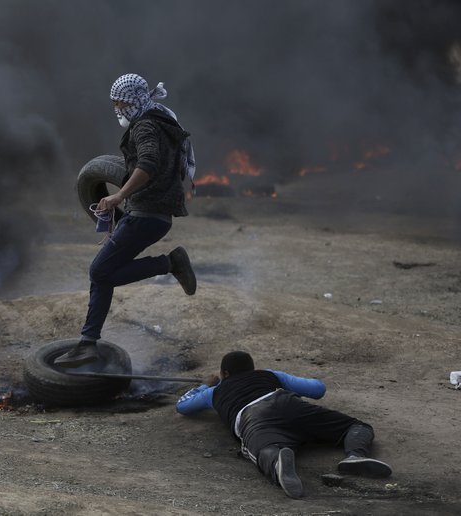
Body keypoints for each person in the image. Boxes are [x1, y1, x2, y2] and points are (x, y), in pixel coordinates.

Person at [54, 73, 197, 368]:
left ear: (132, 101)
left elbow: (148, 164)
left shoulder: (145, 126)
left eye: (120, 102)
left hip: (147, 214)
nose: (116, 107)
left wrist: (118, 197)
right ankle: (88, 343)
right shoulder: (160, 119)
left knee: (99, 272)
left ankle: (170, 263)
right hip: (152, 215)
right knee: (104, 272)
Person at [176, 351, 392, 498]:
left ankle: (278, 461)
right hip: (285, 401)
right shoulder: (269, 375)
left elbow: (182, 407)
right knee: (356, 427)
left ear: (224, 374)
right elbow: (318, 389)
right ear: (253, 368)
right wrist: (280, 381)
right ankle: (355, 454)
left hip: (253, 418)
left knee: (264, 450)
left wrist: (204, 386)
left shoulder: (215, 392)